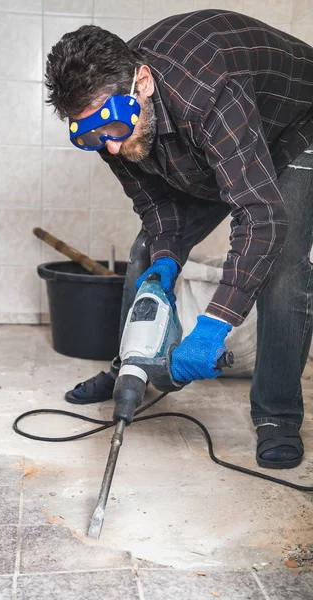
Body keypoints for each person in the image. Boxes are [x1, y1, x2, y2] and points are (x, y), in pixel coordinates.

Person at [44, 9, 313, 470]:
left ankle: (277, 415)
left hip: (296, 124)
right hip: (219, 139)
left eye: (110, 126)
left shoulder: (208, 91)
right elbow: (155, 206)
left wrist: (213, 325)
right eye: (88, 136)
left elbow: (260, 216)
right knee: (147, 251)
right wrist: (165, 259)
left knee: (282, 264)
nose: (107, 146)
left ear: (142, 82)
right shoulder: (112, 125)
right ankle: (129, 368)